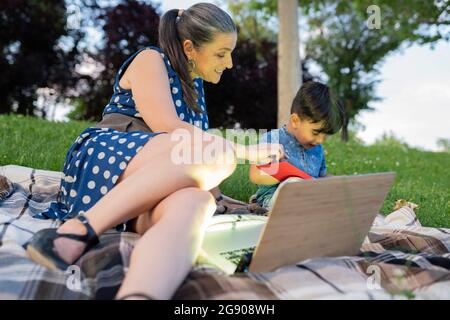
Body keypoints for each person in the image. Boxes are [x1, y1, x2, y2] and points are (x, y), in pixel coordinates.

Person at [26, 3, 284, 300]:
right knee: (218, 153)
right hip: (109, 157)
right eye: (221, 53)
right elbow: (168, 126)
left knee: (196, 203)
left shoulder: (194, 87)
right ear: (190, 47)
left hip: (141, 186)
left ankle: (141, 293)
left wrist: (237, 205)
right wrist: (244, 151)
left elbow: (188, 167)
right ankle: (76, 232)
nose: (229, 63)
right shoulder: (151, 60)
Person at [249, 81, 345, 210]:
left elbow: (321, 177)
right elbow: (256, 175)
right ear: (295, 121)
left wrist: (340, 183)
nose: (321, 140)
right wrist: (281, 172)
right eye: (316, 133)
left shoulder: (317, 148)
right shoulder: (272, 140)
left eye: (326, 135)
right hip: (273, 200)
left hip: (310, 199)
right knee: (293, 185)